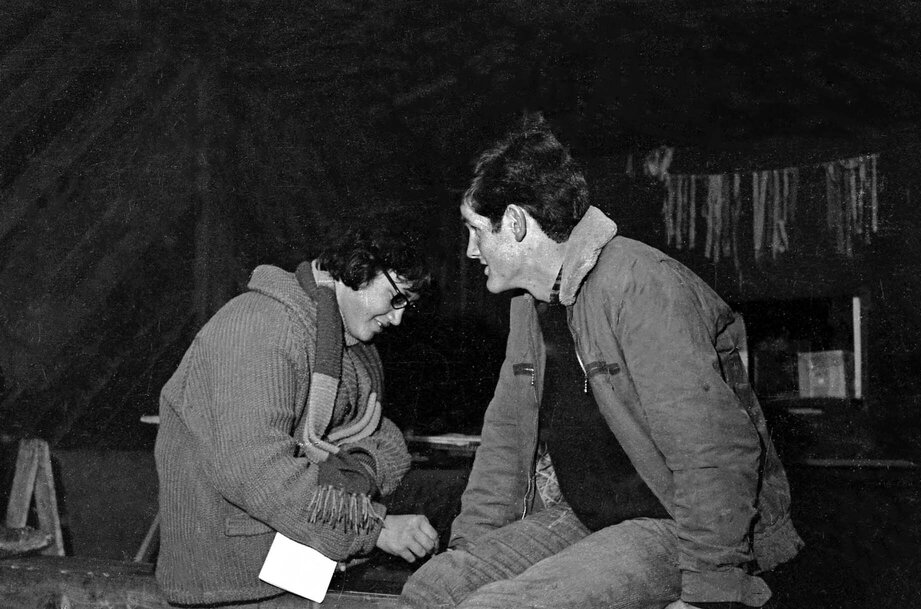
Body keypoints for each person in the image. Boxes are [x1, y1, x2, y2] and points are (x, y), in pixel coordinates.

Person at [400, 115, 803, 609]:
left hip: (671, 524)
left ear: (517, 223)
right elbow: (505, 444)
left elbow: (714, 449)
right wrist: (473, 552)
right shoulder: (528, 307)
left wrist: (709, 591)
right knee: (433, 589)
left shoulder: (639, 284)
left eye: (475, 230)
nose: (469, 250)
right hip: (586, 517)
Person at [155, 227, 439, 607]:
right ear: (359, 268)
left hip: (295, 569)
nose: (399, 318)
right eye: (396, 297)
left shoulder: (348, 345)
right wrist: (373, 526)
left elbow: (385, 438)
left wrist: (353, 472)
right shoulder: (259, 326)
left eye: (409, 305)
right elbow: (254, 470)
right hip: (233, 585)